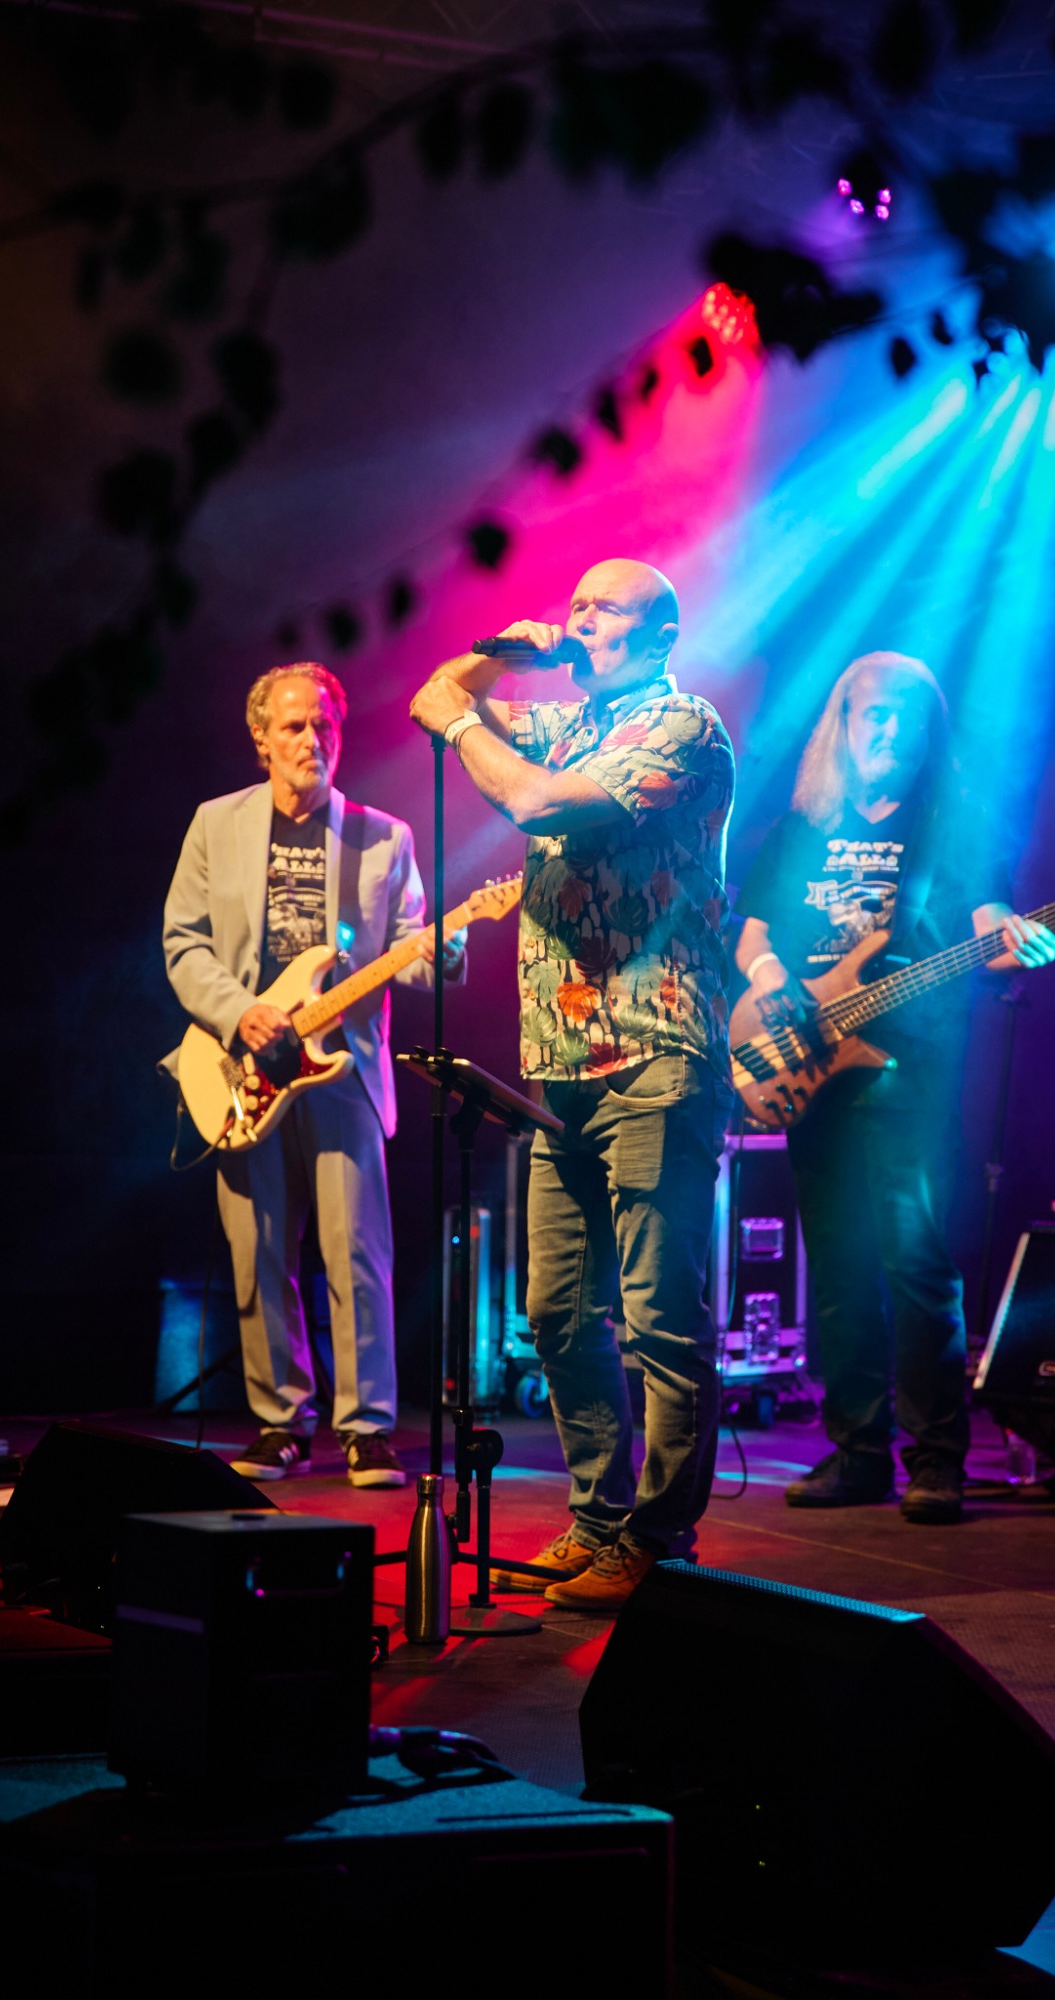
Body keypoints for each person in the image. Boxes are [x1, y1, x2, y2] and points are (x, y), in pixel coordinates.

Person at [409, 559, 736, 1610]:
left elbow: (534, 800)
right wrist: (504, 655)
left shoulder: (680, 726)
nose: (580, 619)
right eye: (576, 603)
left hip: (655, 1055)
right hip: (562, 1074)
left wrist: (466, 723)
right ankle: (597, 1519)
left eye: (604, 609)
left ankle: (659, 1536)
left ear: (660, 634)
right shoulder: (572, 721)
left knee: (658, 1319)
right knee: (555, 1310)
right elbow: (434, 698)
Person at [731, 652, 1055, 1524]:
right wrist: (769, 978)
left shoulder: (952, 828)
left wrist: (1015, 939)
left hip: (909, 1067)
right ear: (841, 723)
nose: (891, 730)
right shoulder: (801, 825)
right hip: (805, 1060)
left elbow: (988, 923)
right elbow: (752, 935)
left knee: (915, 1262)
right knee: (837, 1266)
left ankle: (937, 1458)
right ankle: (857, 1453)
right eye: (874, 714)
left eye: (908, 717)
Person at [162, 662, 465, 1486]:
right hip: (242, 1065)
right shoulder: (215, 824)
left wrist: (443, 954)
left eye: (324, 725)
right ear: (260, 738)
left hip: (343, 1068)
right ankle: (279, 1420)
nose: (311, 739)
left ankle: (366, 1427)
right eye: (293, 726)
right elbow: (183, 943)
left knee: (357, 1252)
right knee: (258, 1250)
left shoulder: (383, 836)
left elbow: (410, 952)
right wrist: (238, 1013)